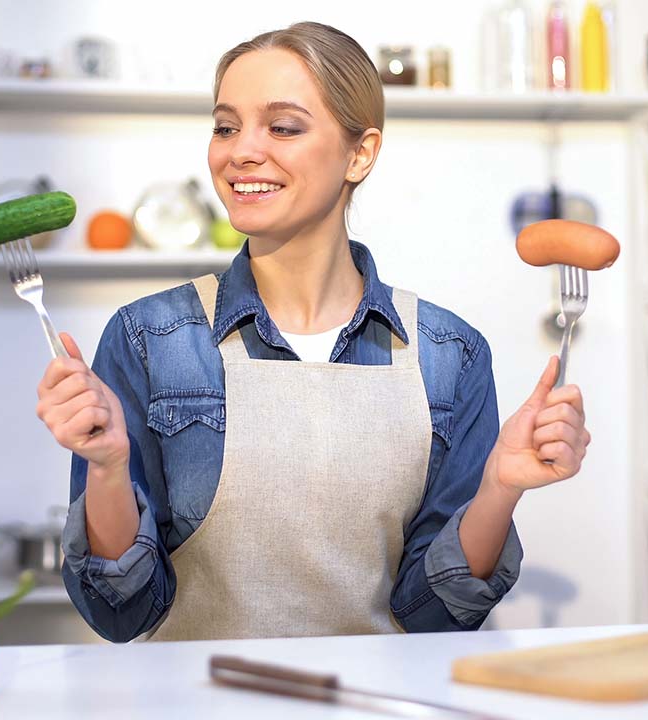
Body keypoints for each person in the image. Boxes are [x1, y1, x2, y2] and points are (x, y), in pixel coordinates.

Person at [37, 21, 590, 643]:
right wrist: (109, 470)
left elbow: (432, 615)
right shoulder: (150, 339)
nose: (241, 151)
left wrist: (499, 487)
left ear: (360, 153)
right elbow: (121, 611)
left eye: (283, 126)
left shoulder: (448, 354)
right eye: (225, 126)